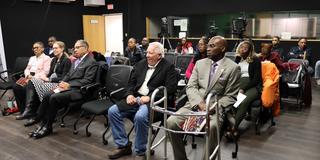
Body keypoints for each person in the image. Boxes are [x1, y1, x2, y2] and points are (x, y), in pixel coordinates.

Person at [167, 36, 240, 160]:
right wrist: (199, 103)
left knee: (212, 127)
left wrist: (212, 107)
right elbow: (191, 86)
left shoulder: (233, 68)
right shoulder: (200, 63)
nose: (208, 48)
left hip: (215, 108)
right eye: (208, 45)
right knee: (171, 122)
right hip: (194, 104)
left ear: (222, 48)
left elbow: (231, 96)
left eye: (212, 46)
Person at [107, 42, 177, 159]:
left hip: (154, 101)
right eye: (147, 52)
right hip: (136, 98)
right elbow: (131, 83)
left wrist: (150, 97)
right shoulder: (141, 64)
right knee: (112, 111)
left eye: (151, 53)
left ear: (159, 55)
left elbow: (170, 89)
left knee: (140, 116)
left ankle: (140, 151)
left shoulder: (168, 67)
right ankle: (123, 145)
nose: (147, 55)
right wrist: (129, 94)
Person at [28, 40, 98, 139]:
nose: (75, 50)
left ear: (86, 48)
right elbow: (69, 74)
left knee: (54, 98)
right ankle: (42, 122)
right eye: (74, 47)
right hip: (68, 87)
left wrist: (68, 85)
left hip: (79, 90)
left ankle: (48, 126)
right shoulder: (76, 60)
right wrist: (62, 83)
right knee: (48, 94)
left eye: (78, 47)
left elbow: (87, 80)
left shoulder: (91, 62)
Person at [23, 41, 72, 127]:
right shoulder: (54, 60)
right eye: (53, 48)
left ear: (62, 49)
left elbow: (64, 78)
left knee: (40, 88)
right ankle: (33, 111)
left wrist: (49, 79)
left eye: (56, 48)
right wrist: (44, 77)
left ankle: (39, 115)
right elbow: (49, 73)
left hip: (59, 84)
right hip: (50, 81)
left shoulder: (66, 60)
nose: (54, 50)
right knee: (32, 82)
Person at [14, 41, 52, 120]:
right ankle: (22, 110)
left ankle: (29, 110)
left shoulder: (47, 58)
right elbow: (27, 69)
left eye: (37, 47)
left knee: (28, 85)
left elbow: (45, 72)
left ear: (42, 49)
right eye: (33, 48)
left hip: (39, 79)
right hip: (28, 77)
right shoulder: (32, 58)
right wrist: (27, 75)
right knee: (16, 86)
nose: (35, 49)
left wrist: (32, 78)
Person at [233, 41, 262, 136]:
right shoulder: (237, 59)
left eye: (246, 47)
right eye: (241, 47)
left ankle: (233, 128)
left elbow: (256, 79)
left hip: (253, 86)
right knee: (234, 103)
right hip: (239, 85)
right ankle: (229, 125)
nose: (243, 49)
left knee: (243, 101)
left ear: (250, 50)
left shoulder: (255, 59)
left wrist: (243, 88)